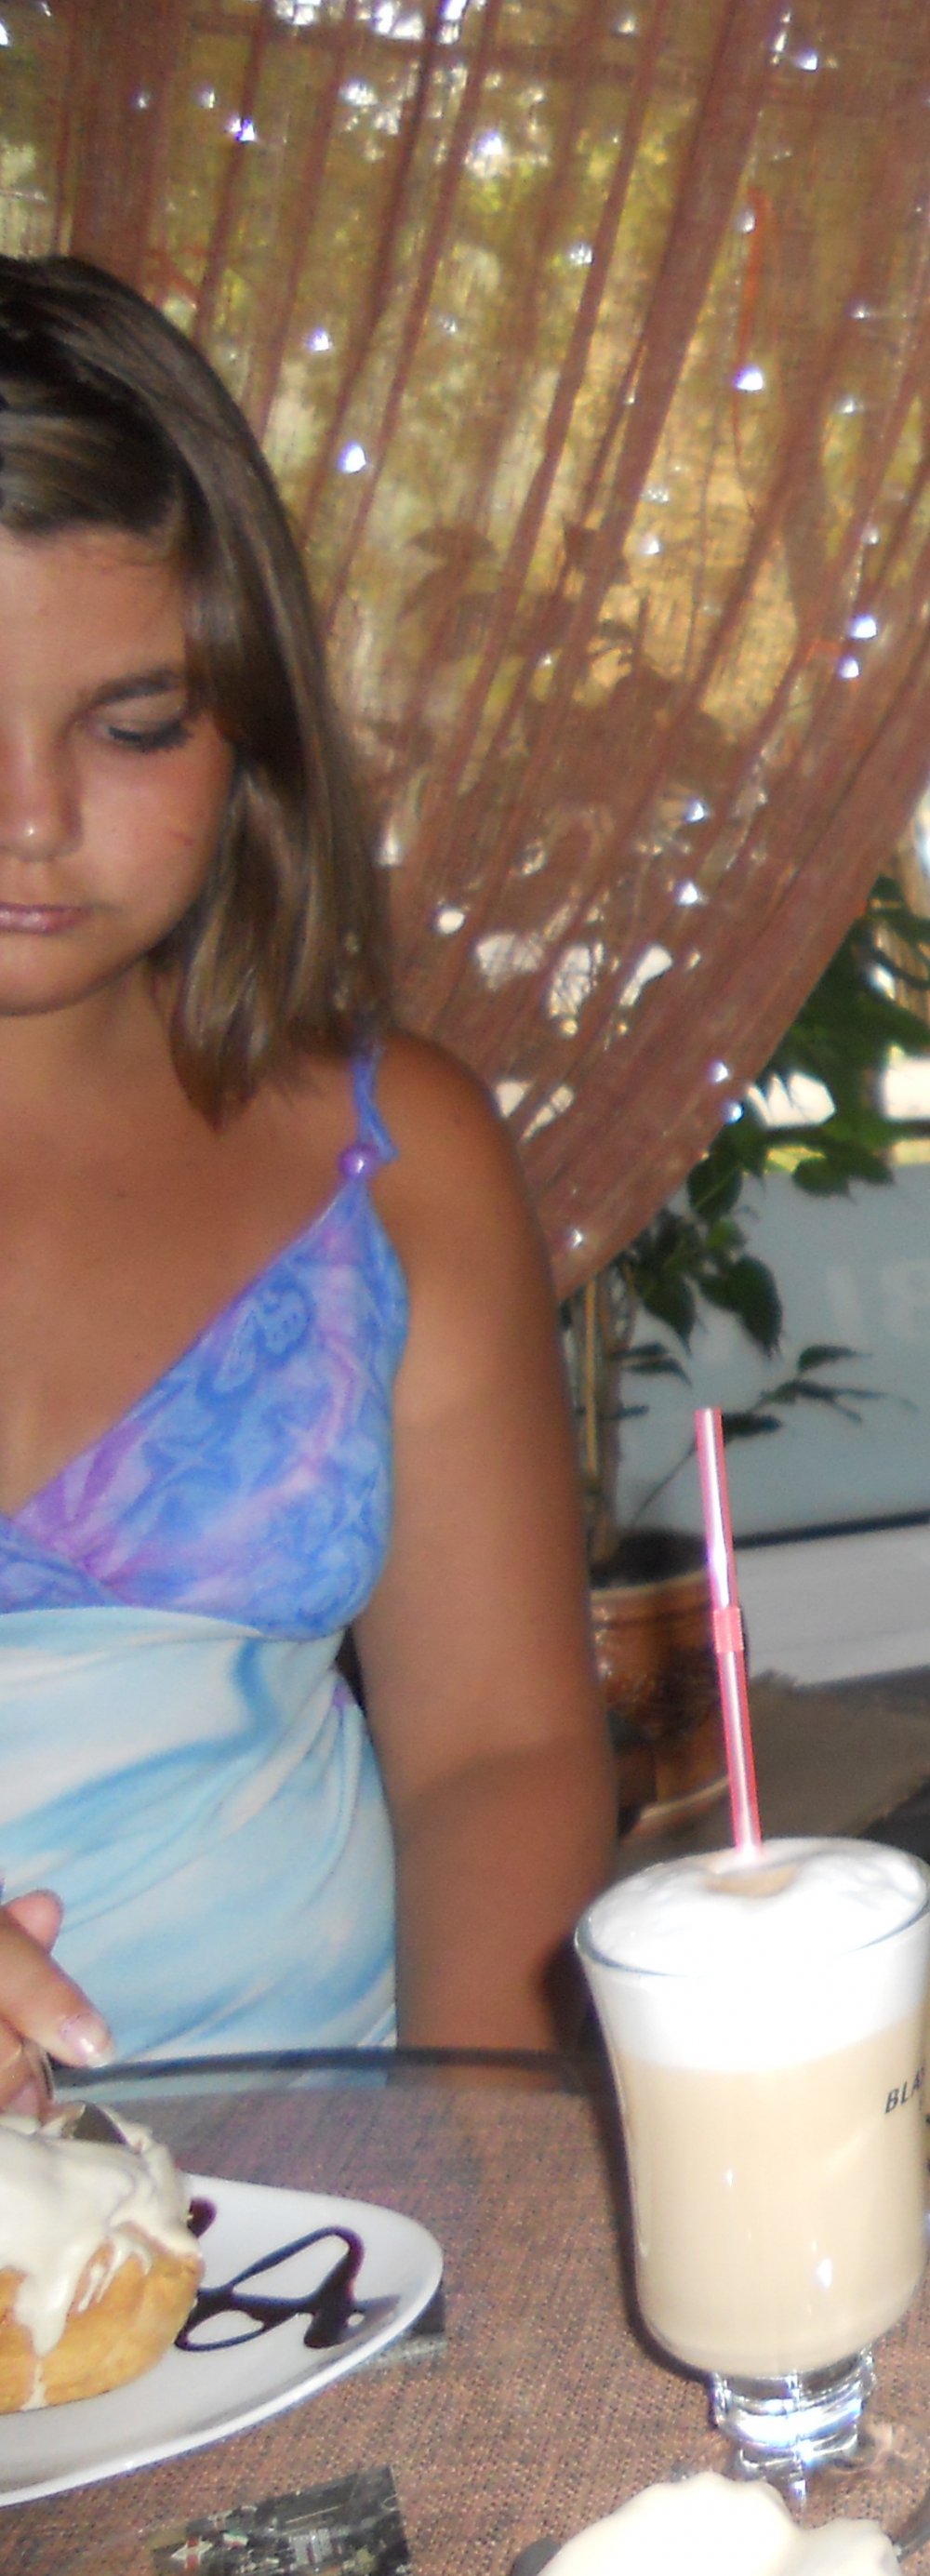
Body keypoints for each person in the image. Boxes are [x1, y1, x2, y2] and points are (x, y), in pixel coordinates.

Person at [0, 253, 612, 2109]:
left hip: (325, 2202)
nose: (31, 815)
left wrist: (475, 2173)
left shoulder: (393, 1152)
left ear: (251, 726)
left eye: (132, 725)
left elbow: (495, 1749)